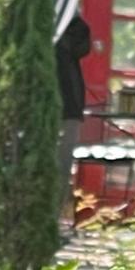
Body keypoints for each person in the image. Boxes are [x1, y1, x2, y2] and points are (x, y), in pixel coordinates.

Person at [55, 12, 91, 218]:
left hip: (67, 105)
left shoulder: (71, 23)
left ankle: (54, 217)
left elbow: (82, 44)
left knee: (61, 165)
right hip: (36, 104)